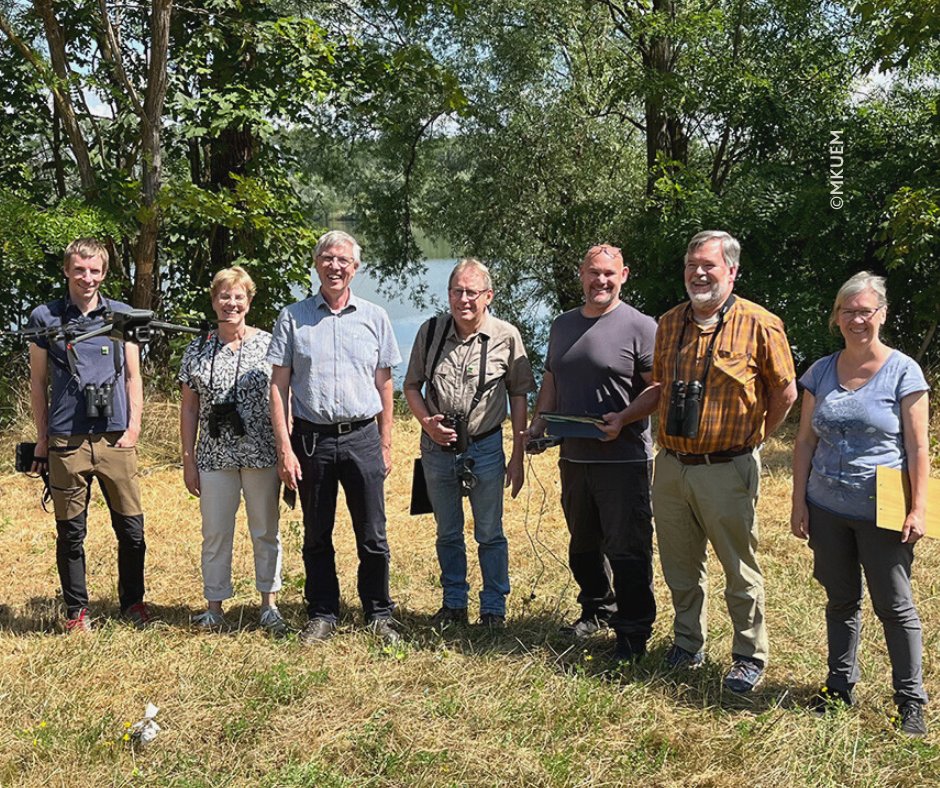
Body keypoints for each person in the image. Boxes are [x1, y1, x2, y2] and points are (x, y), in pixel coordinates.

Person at [652, 230, 797, 692]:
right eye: (692, 264)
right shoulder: (669, 323)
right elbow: (660, 386)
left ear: (731, 271)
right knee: (679, 565)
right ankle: (688, 643)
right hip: (671, 465)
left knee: (739, 568)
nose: (698, 273)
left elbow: (785, 393)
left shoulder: (760, 323)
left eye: (708, 265)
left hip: (727, 468)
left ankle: (749, 654)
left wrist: (753, 441)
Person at [790, 272, 929, 736]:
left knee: (895, 605)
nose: (856, 319)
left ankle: (910, 700)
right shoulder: (821, 371)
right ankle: (839, 685)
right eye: (847, 311)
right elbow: (805, 442)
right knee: (841, 599)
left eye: (865, 310)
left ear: (882, 314)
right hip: (827, 506)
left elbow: (918, 447)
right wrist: (798, 501)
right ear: (836, 317)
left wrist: (919, 507)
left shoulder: (903, 371)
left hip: (885, 507)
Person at [526, 244, 660, 661]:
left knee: (627, 546)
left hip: (625, 458)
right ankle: (597, 609)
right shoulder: (562, 325)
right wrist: (538, 424)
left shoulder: (640, 326)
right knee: (583, 544)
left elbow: (659, 388)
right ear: (581, 275)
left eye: (609, 274)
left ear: (624, 275)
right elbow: (551, 376)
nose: (600, 281)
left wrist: (623, 418)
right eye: (593, 273)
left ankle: (633, 631)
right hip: (575, 456)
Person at [268, 230, 402, 644]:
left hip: (362, 437)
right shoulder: (293, 317)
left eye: (343, 260)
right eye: (327, 258)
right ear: (316, 264)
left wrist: (385, 442)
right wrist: (285, 449)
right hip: (312, 441)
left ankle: (379, 611)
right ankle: (323, 612)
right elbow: (278, 387)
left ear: (356, 268)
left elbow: (385, 385)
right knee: (316, 533)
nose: (335, 266)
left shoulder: (375, 317)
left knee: (373, 534)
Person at [403, 259, 536, 628]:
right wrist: (427, 424)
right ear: (448, 294)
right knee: (447, 532)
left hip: (486, 447)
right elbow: (410, 386)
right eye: (457, 291)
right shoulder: (430, 333)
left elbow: (520, 394)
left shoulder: (507, 336)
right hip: (436, 449)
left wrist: (518, 455)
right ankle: (453, 604)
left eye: (472, 292)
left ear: (488, 296)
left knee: (490, 533)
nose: (464, 299)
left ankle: (493, 609)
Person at [26, 237, 150, 632]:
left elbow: (133, 376)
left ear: (105, 273)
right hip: (68, 439)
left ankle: (132, 603)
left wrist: (133, 428)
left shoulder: (122, 315)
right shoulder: (46, 317)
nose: (87, 277)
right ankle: (76, 612)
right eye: (79, 269)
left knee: (131, 530)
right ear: (67, 270)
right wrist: (43, 438)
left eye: (95, 270)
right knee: (71, 532)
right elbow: (37, 381)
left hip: (115, 437)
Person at [179, 267, 285, 635]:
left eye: (238, 296)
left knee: (265, 530)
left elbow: (283, 398)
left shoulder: (270, 345)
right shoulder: (197, 348)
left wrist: (287, 449)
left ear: (249, 301)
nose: (231, 303)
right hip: (213, 456)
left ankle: (269, 605)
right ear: (214, 301)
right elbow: (189, 408)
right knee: (216, 532)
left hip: (261, 453)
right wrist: (188, 460)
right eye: (224, 296)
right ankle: (214, 605)